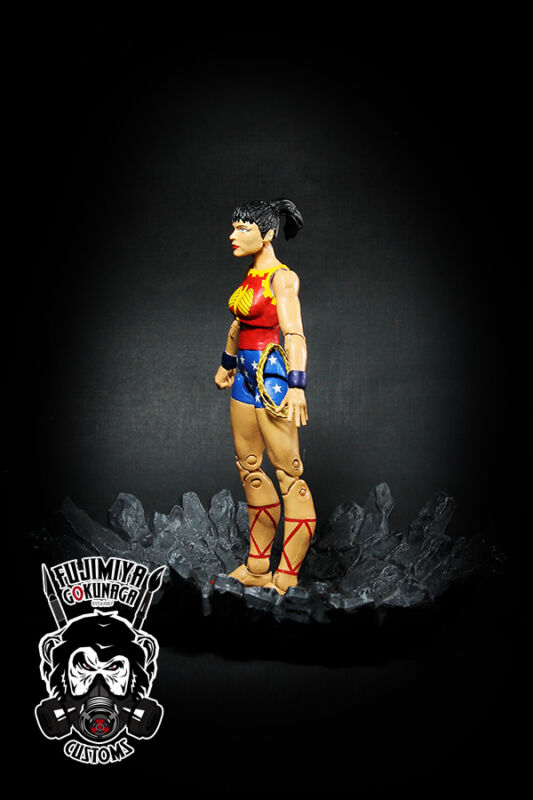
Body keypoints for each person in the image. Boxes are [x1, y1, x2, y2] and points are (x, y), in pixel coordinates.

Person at [214, 198, 316, 595]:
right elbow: (238, 325)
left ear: (268, 233)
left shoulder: (282, 279)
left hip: (272, 377)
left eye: (243, 228)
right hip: (243, 376)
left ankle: (287, 573)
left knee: (289, 475)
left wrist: (297, 384)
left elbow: (294, 333)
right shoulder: (250, 276)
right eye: (234, 226)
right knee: (251, 468)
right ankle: (258, 565)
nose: (233, 235)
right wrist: (226, 363)